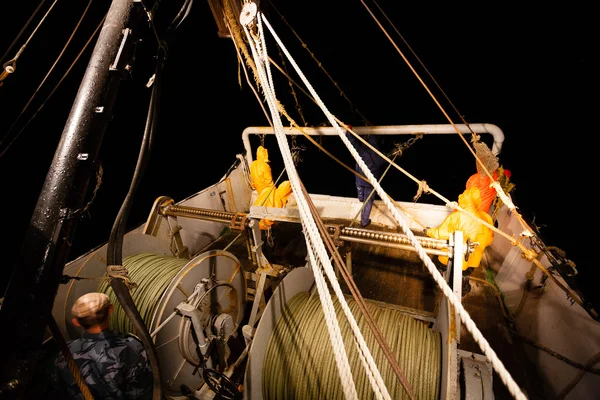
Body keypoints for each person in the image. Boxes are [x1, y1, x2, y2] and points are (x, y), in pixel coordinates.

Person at [51, 292, 153, 399]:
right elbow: (143, 392)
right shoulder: (130, 348)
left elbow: (57, 388)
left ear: (76, 322)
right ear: (111, 310)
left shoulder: (64, 353)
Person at [426, 187, 494, 295]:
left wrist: (429, 231)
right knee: (465, 273)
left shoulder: (456, 216)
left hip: (449, 256)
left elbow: (441, 234)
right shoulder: (487, 218)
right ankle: (463, 290)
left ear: (464, 199)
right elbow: (489, 240)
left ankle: (439, 285)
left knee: (440, 267)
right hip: (473, 259)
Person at [347, 128, 386, 227]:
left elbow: (353, 144)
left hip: (359, 179)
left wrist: (348, 132)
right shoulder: (379, 156)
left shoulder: (362, 152)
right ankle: (364, 221)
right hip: (370, 182)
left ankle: (360, 197)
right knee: (368, 201)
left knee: (359, 189)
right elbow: (386, 159)